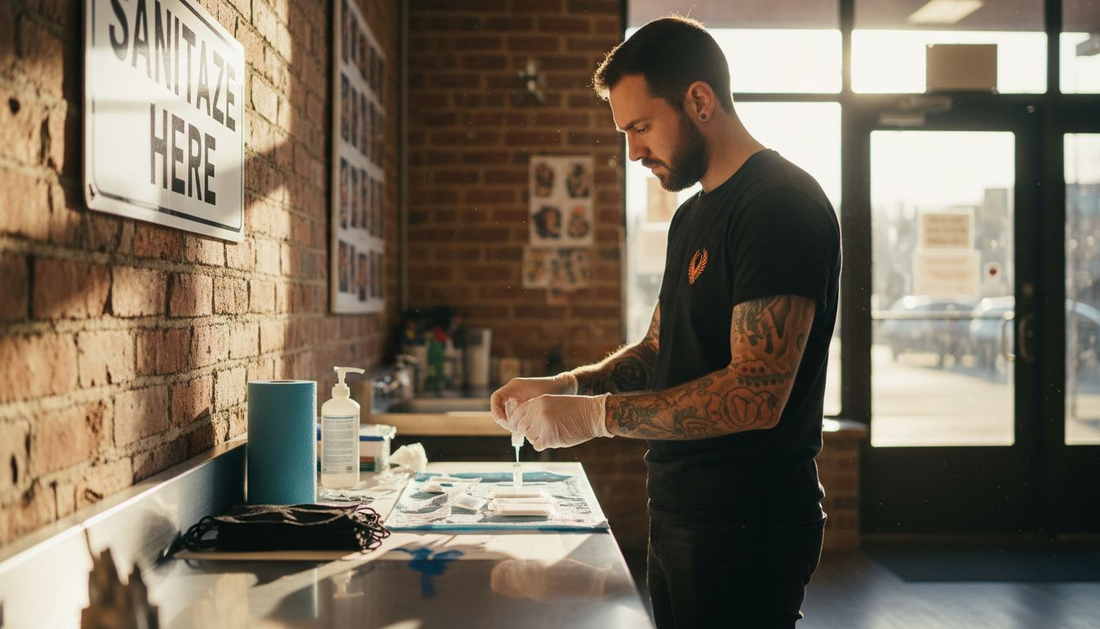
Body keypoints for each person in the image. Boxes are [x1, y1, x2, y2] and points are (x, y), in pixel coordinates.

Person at [491, 15, 841, 629]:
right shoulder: (692, 216)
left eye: (642, 127)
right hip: (681, 509)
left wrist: (594, 418)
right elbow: (660, 349)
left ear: (700, 100)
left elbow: (755, 394)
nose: (632, 151)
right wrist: (565, 388)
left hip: (747, 524)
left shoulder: (779, 205)